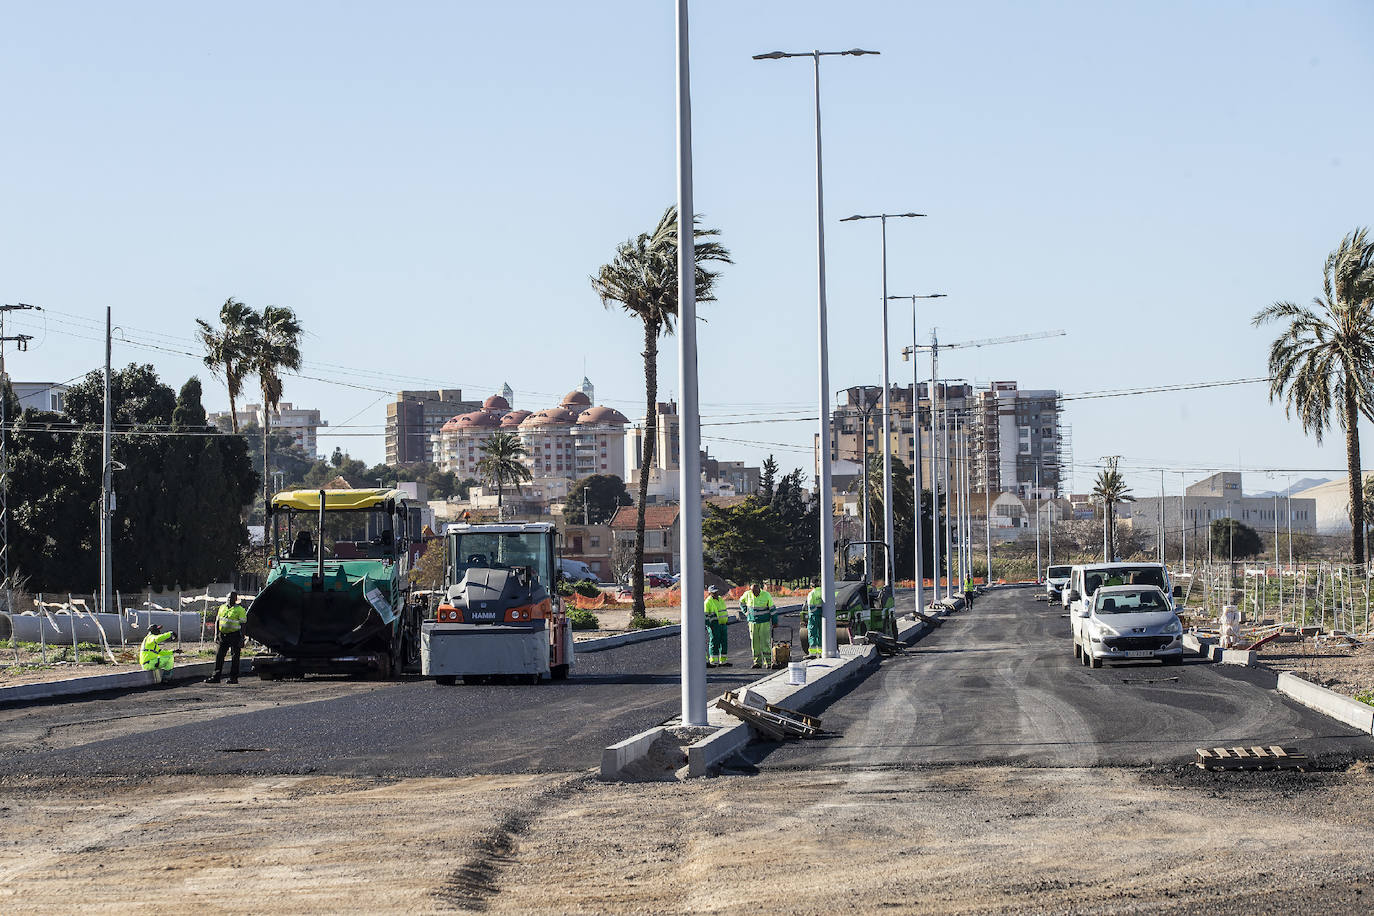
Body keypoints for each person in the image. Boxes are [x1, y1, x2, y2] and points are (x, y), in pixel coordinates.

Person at [206, 592, 248, 684]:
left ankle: (233, 678)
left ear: (236, 599)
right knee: (219, 656)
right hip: (223, 635)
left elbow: (243, 625)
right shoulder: (222, 607)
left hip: (235, 635)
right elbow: (217, 621)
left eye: (232, 598)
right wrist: (216, 634)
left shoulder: (240, 610)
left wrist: (242, 638)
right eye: (228, 598)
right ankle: (216, 677)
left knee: (235, 657)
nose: (229, 600)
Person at [740, 582, 776, 669]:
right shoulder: (747, 594)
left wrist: (774, 620)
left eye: (755, 591)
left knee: (765, 642)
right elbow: (741, 602)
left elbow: (772, 608)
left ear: (759, 589)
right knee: (754, 642)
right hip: (752, 622)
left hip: (764, 622)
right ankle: (757, 662)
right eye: (752, 591)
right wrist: (746, 612)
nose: (754, 593)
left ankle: (768, 661)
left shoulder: (766, 595)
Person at [704, 585, 731, 668]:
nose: (715, 593)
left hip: (723, 624)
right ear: (710, 593)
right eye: (713, 592)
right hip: (714, 625)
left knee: (723, 643)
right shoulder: (708, 602)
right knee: (714, 642)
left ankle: (723, 661)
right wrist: (709, 625)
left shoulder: (720, 599)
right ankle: (713, 661)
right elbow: (705, 615)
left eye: (716, 591)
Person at [804, 577, 824, 658]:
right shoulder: (823, 592)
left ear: (812, 585)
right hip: (822, 616)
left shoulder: (811, 594)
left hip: (813, 616)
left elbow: (811, 606)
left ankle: (812, 653)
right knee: (820, 634)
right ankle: (820, 652)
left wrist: (815, 612)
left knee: (812, 634)